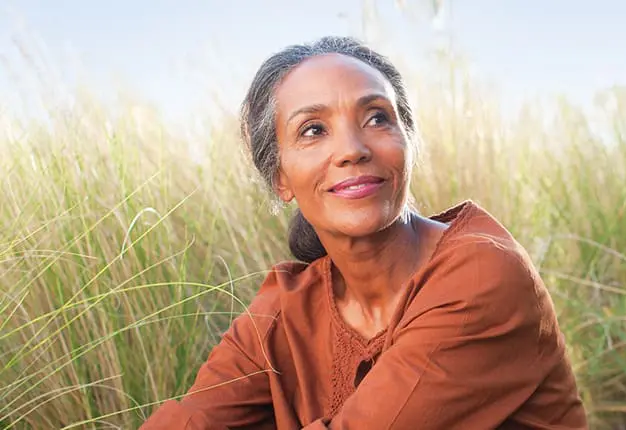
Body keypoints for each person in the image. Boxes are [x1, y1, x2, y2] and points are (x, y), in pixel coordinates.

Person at [140, 36, 588, 429]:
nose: (352, 150)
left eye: (376, 118)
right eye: (313, 130)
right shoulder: (285, 310)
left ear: (407, 143)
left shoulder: (480, 277)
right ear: (280, 177)